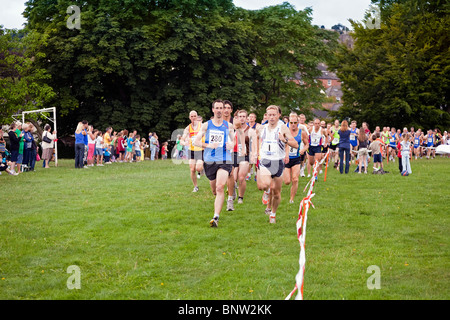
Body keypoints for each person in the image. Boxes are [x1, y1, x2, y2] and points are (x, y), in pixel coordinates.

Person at [194, 99, 237, 228]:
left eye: (221, 108)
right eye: (216, 108)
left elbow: (234, 141)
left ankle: (215, 217)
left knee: (219, 187)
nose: (219, 110)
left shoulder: (228, 126)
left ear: (224, 110)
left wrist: (231, 144)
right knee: (214, 190)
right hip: (209, 160)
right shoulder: (206, 125)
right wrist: (208, 145)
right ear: (213, 110)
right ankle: (220, 199)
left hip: (224, 159)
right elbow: (196, 142)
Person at [256, 105, 298, 224]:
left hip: (278, 161)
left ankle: (273, 213)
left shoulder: (283, 128)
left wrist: (284, 140)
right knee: (265, 185)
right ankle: (266, 191)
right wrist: (255, 153)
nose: (272, 117)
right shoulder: (262, 128)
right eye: (269, 115)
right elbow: (255, 138)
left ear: (278, 115)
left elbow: (295, 144)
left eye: (274, 115)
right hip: (265, 160)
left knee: (277, 193)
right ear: (266, 115)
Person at [284, 112, 309, 203]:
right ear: (289, 123)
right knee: (287, 182)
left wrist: (303, 150)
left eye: (295, 123)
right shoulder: (285, 132)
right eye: (291, 123)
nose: (293, 125)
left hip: (296, 158)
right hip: (286, 158)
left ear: (298, 123)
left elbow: (307, 144)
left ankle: (291, 199)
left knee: (295, 179)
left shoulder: (302, 133)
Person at [181, 111, 205, 192]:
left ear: (197, 117)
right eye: (192, 116)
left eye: (195, 116)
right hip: (192, 150)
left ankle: (202, 167)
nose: (193, 118)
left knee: (198, 168)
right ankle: (195, 186)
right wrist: (184, 142)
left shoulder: (202, 126)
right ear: (189, 117)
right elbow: (182, 139)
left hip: (201, 150)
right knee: (192, 169)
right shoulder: (188, 128)